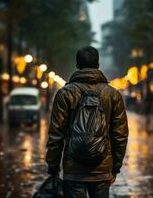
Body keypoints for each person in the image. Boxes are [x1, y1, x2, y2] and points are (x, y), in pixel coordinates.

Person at [46, 46, 129, 198]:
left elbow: (56, 134)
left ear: (77, 65)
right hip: (102, 168)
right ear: (98, 65)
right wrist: (115, 167)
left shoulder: (65, 93)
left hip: (73, 169)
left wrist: (53, 166)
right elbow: (120, 135)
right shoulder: (112, 94)